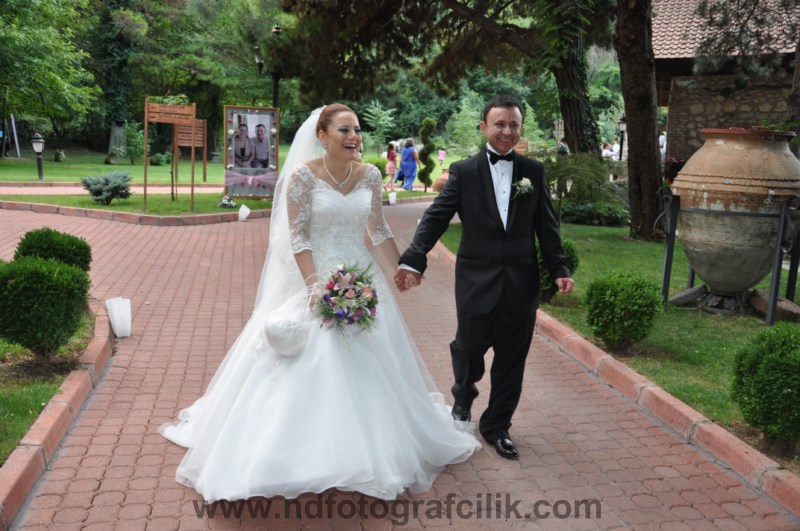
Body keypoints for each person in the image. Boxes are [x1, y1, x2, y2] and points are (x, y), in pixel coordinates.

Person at [160, 104, 480, 503]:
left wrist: (402, 268)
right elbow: (299, 238)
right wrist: (315, 287)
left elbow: (377, 228)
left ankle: (371, 444)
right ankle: (303, 447)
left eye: (357, 129)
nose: (354, 137)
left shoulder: (371, 175)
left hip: (362, 280)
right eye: (344, 130)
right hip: (315, 277)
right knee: (311, 355)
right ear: (323, 135)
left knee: (373, 359)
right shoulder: (303, 177)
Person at [395, 94, 575, 460]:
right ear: (484, 127)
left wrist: (558, 268)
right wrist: (414, 259)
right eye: (500, 124)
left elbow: (547, 226)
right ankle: (463, 398)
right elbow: (436, 217)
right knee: (468, 349)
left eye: (514, 125)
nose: (507, 131)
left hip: (521, 284)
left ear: (521, 127)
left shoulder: (534, 171)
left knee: (512, 358)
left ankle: (497, 426)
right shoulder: (464, 171)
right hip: (475, 280)